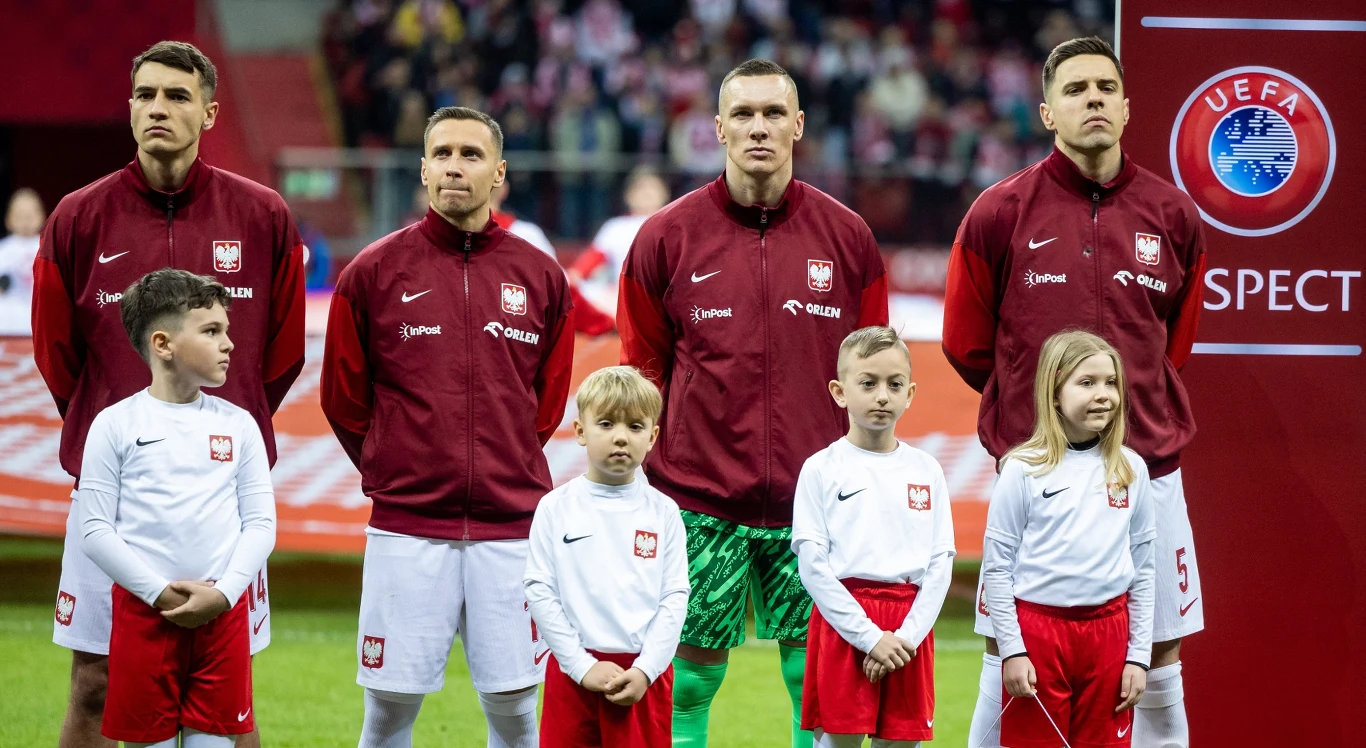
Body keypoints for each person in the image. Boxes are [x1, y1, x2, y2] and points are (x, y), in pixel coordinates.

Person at [33, 41, 306, 748]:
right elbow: (56, 353)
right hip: (115, 492)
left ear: (210, 112)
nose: (159, 108)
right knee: (93, 682)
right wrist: (115, 431)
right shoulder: (77, 217)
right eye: (146, 95)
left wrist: (215, 434)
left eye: (178, 97)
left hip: (220, 497)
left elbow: (278, 355)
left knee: (227, 694)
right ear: (129, 107)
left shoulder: (263, 215)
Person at [618, 58, 891, 748]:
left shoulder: (848, 238)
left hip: (818, 501)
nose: (758, 128)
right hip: (699, 498)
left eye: (774, 114)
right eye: (742, 114)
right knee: (687, 678)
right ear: (717, 129)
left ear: (798, 126)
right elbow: (641, 371)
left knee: (814, 680)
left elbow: (875, 370)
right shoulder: (665, 238)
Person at [942, 37, 1204, 748]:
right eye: (1076, 89)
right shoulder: (999, 213)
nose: (1093, 99)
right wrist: (1045, 428)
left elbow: (1171, 347)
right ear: (1048, 112)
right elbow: (968, 345)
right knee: (1010, 652)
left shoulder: (1173, 216)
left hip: (1147, 463)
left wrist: (1122, 415)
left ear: (1125, 107)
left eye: (1104, 88)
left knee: (1157, 651)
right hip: (1039, 469)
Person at [320, 105, 575, 748]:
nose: (455, 167)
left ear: (499, 173)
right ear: (424, 170)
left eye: (471, 154)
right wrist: (394, 463)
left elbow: (545, 401)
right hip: (407, 525)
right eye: (442, 154)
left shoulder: (540, 276)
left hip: (511, 526)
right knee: (390, 707)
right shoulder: (371, 274)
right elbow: (344, 399)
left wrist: (502, 459)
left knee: (516, 709)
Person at [77, 269, 275, 748]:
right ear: (163, 344)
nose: (229, 344)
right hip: (145, 615)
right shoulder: (114, 424)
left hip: (222, 614)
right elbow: (95, 530)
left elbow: (261, 523)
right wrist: (160, 595)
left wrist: (225, 594)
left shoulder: (241, 425)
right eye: (211, 332)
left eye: (227, 330)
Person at [982, 330, 1156, 747]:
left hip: (1110, 636)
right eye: (1087, 382)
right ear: (1054, 391)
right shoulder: (1022, 469)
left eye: (1111, 382)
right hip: (1040, 634)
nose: (1103, 395)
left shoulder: (1131, 469)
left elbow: (1146, 569)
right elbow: (997, 568)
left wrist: (1138, 656)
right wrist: (1013, 650)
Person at [792, 326, 955, 748]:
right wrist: (867, 636)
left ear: (911, 393)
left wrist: (907, 637)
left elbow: (941, 562)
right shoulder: (820, 468)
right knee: (838, 740)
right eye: (868, 383)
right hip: (845, 622)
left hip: (908, 627)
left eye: (894, 384)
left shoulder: (927, 469)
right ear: (840, 391)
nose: (882, 395)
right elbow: (813, 567)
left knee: (901, 742)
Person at [523, 366, 690, 747]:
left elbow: (674, 597)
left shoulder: (664, 511)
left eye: (634, 426)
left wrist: (647, 670)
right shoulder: (554, 507)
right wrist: (581, 666)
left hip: (643, 675)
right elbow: (539, 590)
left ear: (653, 437)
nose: (620, 437)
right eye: (606, 423)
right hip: (573, 672)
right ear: (580, 431)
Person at [570, 167, 670, 327]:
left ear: (665, 193)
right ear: (628, 196)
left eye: (652, 188)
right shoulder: (615, 227)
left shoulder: (675, 224)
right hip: (623, 297)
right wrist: (574, 277)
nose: (646, 193)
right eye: (640, 188)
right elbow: (588, 263)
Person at [0, 188, 45, 334]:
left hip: (40, 321)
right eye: (19, 216)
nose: (25, 221)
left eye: (30, 216)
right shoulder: (3, 249)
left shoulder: (48, 247)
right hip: (8, 324)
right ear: (8, 219)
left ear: (42, 216)